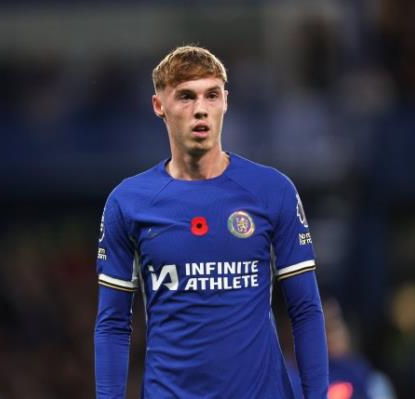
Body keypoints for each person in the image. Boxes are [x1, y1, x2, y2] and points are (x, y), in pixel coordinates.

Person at [94, 45, 329, 398]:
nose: (200, 109)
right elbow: (112, 324)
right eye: (186, 97)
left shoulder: (271, 190)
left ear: (225, 102)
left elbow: (306, 309)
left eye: (211, 95)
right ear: (159, 105)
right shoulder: (128, 203)